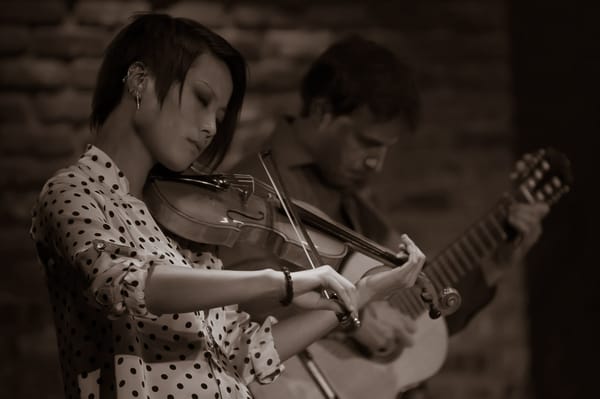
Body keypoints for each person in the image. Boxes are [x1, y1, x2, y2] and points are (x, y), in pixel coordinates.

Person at [28, 15, 427, 399]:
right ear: (139, 81)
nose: (212, 128)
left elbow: (245, 351)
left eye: (220, 115)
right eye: (202, 100)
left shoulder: (178, 225)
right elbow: (126, 284)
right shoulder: (73, 191)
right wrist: (282, 281)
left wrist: (359, 296)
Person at [222, 35, 549, 398]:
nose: (376, 163)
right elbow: (237, 297)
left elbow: (417, 319)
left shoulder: (357, 199)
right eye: (367, 143)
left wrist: (495, 264)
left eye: (386, 149)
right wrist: (346, 319)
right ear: (320, 112)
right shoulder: (252, 185)